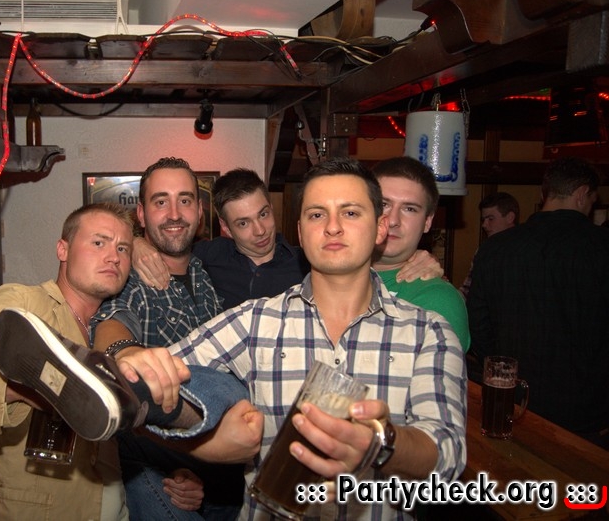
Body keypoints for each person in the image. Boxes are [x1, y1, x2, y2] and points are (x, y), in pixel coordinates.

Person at [120, 157, 467, 519]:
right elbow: (144, 383)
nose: (333, 227)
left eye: (350, 213)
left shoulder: (429, 333)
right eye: (317, 214)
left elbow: (448, 453)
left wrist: (383, 443)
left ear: (380, 228)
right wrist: (199, 440)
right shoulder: (255, 322)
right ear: (301, 232)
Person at [0, 203, 181, 520]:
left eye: (123, 248)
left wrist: (175, 472)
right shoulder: (22, 306)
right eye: (99, 242)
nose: (114, 257)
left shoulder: (114, 332)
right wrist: (19, 387)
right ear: (63, 249)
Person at [90, 157, 245, 520]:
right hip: (156, 461)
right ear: (141, 215)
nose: (174, 213)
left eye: (185, 200)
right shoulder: (128, 277)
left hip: (221, 466)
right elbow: (111, 321)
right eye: (161, 201)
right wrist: (125, 353)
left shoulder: (205, 270)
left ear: (200, 212)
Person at [134, 168, 443, 310]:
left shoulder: (307, 261)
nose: (260, 230)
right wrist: (137, 243)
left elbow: (356, 265)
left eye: (263, 214)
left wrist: (415, 255)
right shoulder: (207, 257)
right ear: (225, 227)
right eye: (243, 223)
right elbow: (169, 245)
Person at [467, 157, 609, 449]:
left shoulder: (496, 249)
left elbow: (478, 323)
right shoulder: (601, 247)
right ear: (583, 193)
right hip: (587, 409)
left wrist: (503, 369)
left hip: (512, 401)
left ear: (545, 193)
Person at [371, 156, 471, 352]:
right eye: (383, 204)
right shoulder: (330, 275)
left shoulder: (436, 300)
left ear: (427, 222)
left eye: (409, 209)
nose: (393, 220)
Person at [459, 191, 519, 297]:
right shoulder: (484, 250)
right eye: (483, 220)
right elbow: (467, 290)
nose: (484, 225)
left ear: (510, 217)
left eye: (491, 219)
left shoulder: (525, 249)